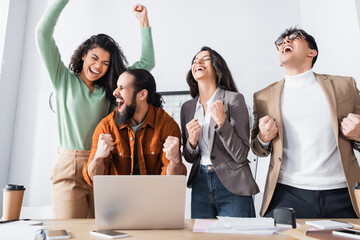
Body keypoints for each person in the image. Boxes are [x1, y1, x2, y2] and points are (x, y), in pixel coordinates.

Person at [36, 0, 155, 219]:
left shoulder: (110, 89)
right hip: (69, 168)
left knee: (103, 231)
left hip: (102, 164)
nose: (98, 66)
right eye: (94, 58)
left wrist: (143, 22)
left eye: (106, 63)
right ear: (83, 55)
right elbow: (43, 33)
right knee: (70, 232)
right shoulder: (63, 80)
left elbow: (147, 62)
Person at [251, 27, 360, 218]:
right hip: (287, 193)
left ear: (312, 52)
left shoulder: (346, 86)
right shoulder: (263, 97)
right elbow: (258, 149)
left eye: (293, 38)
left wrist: (358, 136)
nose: (285, 42)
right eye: (281, 41)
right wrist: (263, 138)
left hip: (343, 193)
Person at [180, 46, 259, 219]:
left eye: (205, 59)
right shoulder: (187, 108)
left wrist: (222, 122)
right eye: (194, 61)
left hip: (233, 183)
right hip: (200, 184)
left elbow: (241, 153)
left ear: (217, 67)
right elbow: (189, 157)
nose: (198, 62)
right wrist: (192, 142)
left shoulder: (233, 100)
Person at [83, 69, 186, 184]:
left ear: (142, 95)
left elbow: (173, 181)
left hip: (155, 195)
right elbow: (92, 179)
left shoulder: (167, 125)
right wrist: (98, 157)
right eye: (117, 87)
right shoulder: (106, 127)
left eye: (122, 88)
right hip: (119, 196)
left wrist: (175, 162)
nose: (115, 92)